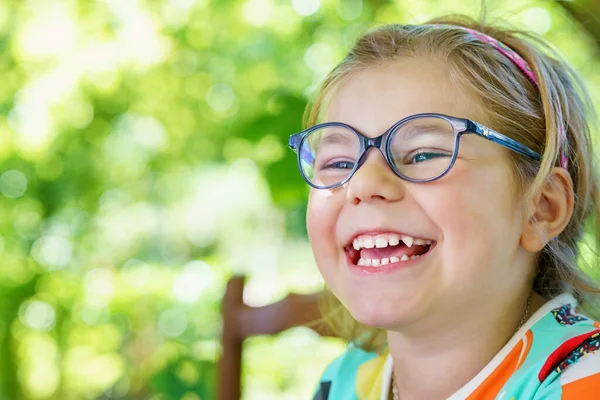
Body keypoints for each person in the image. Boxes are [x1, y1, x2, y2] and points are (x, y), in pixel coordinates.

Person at [288, 15, 600, 400]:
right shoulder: (345, 382)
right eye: (337, 162)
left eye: (423, 154)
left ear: (541, 208)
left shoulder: (585, 382)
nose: (363, 184)